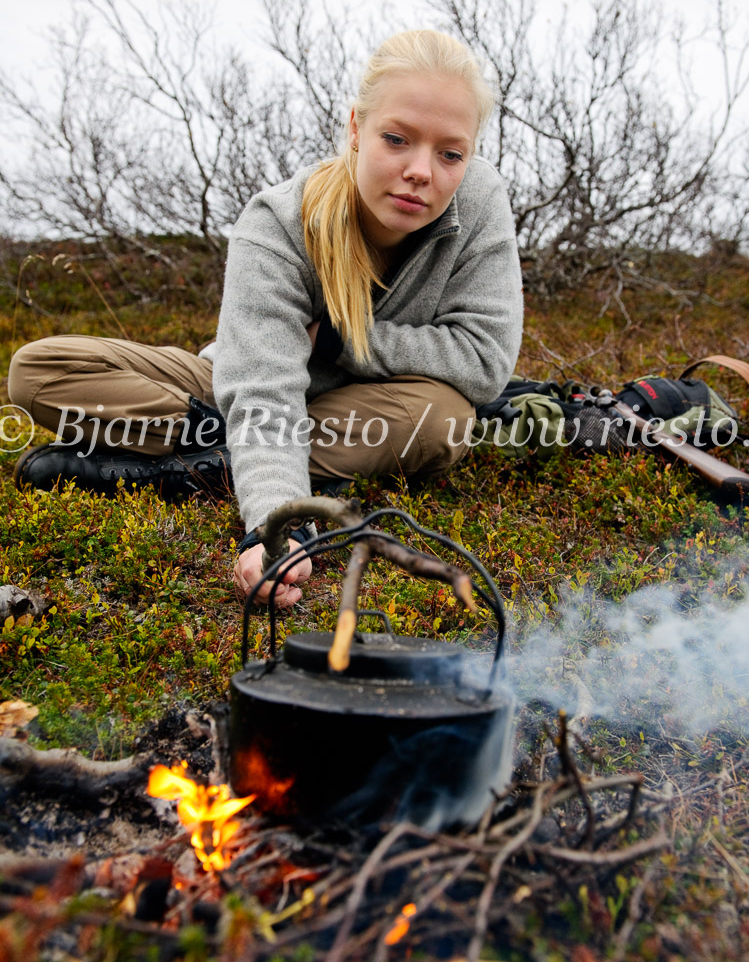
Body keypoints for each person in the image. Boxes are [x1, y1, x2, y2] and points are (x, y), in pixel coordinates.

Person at [9, 30, 524, 607]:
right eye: (397, 139)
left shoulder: (479, 202)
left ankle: (190, 468)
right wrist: (279, 521)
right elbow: (262, 389)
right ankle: (225, 457)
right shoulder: (277, 221)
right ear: (356, 128)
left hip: (374, 407)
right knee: (38, 370)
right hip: (245, 391)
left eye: (450, 153)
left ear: (469, 155)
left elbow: (484, 361)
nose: (421, 171)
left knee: (443, 421)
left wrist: (338, 340)